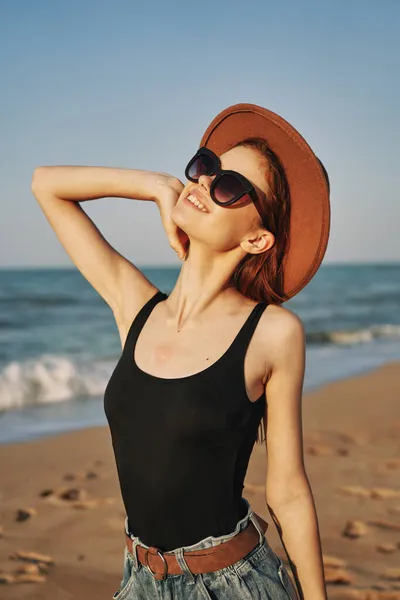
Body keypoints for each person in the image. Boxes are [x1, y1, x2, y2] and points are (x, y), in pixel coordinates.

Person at [31, 103, 331, 600]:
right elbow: (46, 185)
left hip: (233, 583)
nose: (204, 183)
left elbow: (288, 490)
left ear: (257, 239)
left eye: (230, 187)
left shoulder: (273, 333)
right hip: (139, 579)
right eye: (205, 167)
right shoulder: (136, 308)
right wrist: (156, 186)